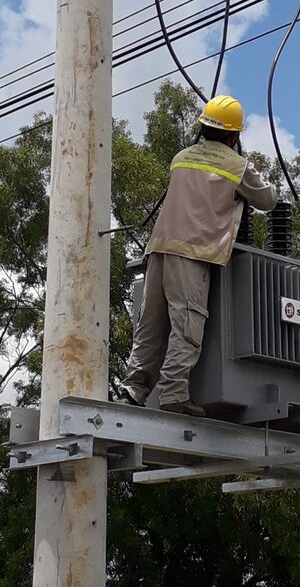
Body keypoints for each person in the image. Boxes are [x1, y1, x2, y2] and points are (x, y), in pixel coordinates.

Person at [118, 95, 278, 417]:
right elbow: (268, 200)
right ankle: (175, 395)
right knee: (187, 326)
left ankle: (134, 389)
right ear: (234, 135)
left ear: (203, 127)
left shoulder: (181, 157)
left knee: (150, 325)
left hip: (159, 248)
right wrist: (253, 170)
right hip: (193, 253)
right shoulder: (237, 166)